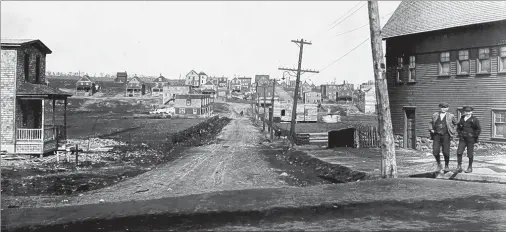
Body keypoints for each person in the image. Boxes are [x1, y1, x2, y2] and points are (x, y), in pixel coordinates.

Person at [429, 102, 458, 173]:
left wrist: (453, 131)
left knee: (446, 152)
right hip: (436, 135)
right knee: (435, 152)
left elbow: (456, 123)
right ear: (440, 108)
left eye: (445, 107)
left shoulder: (451, 116)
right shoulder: (435, 115)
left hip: (446, 135)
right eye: (442, 107)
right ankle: (439, 164)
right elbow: (430, 122)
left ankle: (446, 166)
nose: (443, 109)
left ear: (447, 108)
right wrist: (431, 129)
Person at [456, 106, 481, 173]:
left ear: (471, 112)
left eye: (469, 111)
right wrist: (459, 134)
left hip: (470, 139)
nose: (468, 113)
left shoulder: (474, 119)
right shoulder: (462, 118)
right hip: (462, 138)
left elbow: (478, 129)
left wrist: (473, 135)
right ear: (464, 112)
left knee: (470, 153)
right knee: (459, 152)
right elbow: (458, 128)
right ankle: (459, 166)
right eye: (466, 111)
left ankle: (470, 167)